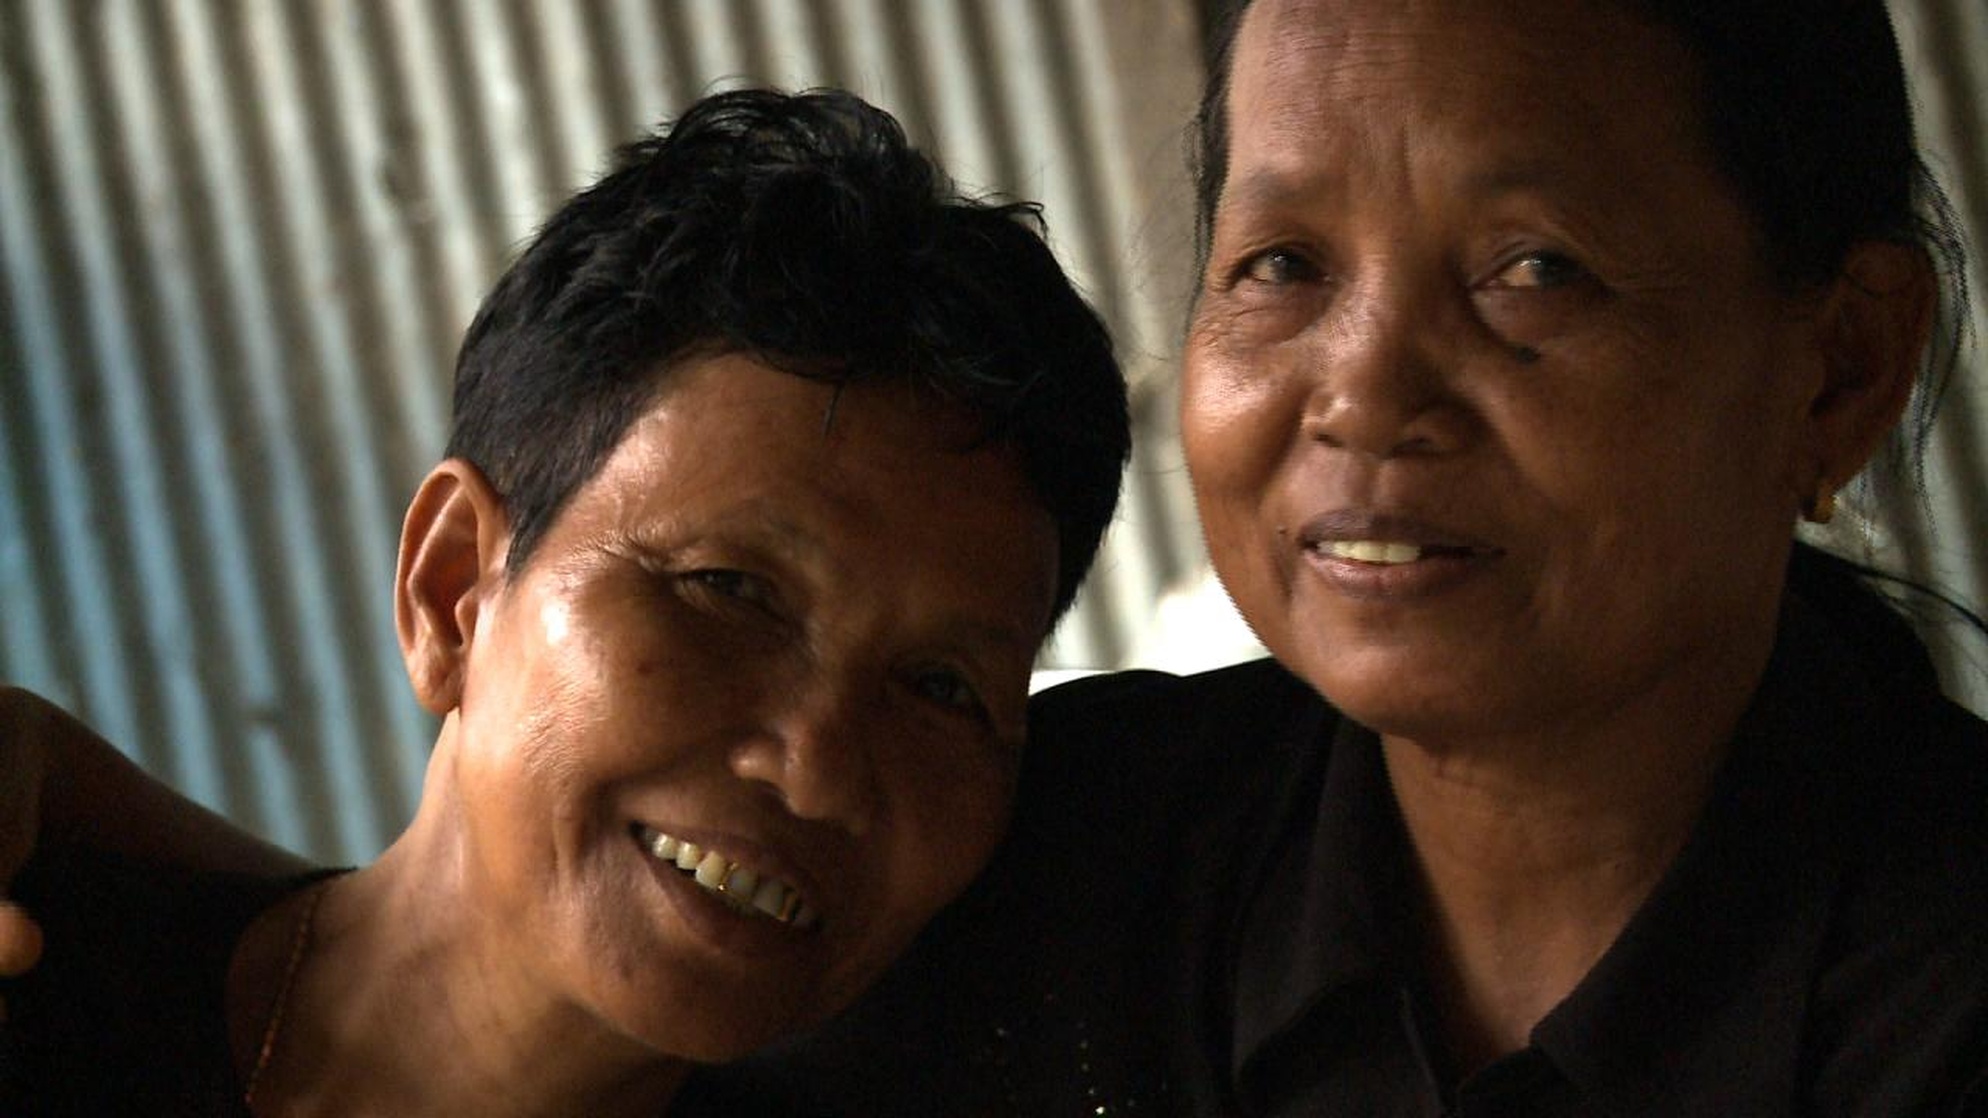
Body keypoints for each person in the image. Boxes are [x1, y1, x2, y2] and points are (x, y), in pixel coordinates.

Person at [7, 0, 1988, 1113]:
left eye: (1530, 271)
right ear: (453, 582)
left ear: (1837, 369)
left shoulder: (1923, 986)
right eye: (1282, 263)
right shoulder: (1112, 850)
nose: (1362, 391)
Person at [0, 85, 1129, 1116]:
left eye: (942, 688)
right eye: (726, 589)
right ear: (451, 591)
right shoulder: (44, 980)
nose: (818, 770)